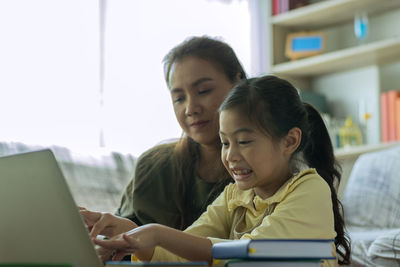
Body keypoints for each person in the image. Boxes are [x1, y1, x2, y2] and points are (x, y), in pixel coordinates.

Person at [93, 75, 351, 266]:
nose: (230, 155)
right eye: (225, 142)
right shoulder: (233, 197)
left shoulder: (310, 190)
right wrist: (132, 237)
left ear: (290, 141)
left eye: (245, 142)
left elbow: (254, 252)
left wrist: (158, 234)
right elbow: (183, 251)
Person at [79, 36, 247, 238]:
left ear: (238, 84)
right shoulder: (154, 167)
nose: (191, 109)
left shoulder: (265, 168)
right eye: (179, 98)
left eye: (204, 91)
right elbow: (119, 248)